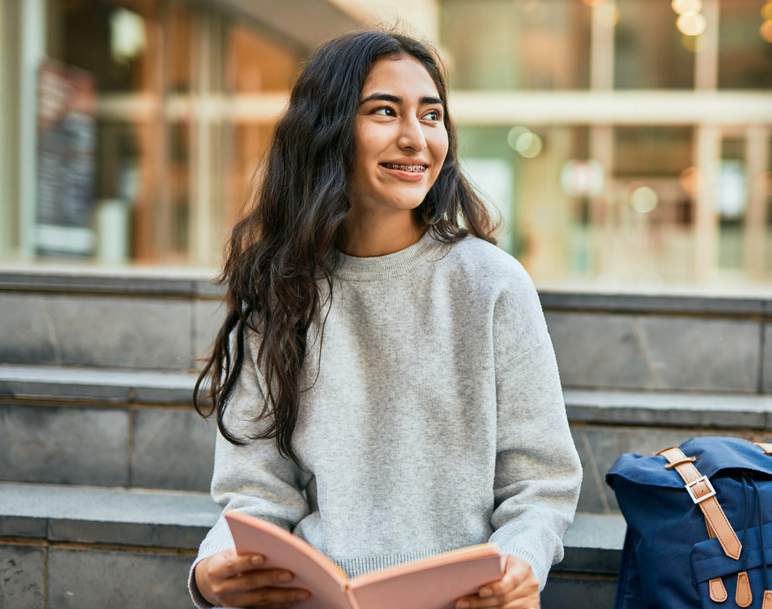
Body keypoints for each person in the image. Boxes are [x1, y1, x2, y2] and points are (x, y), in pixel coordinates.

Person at [188, 29, 583, 609]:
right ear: (328, 130)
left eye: (431, 115)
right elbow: (256, 492)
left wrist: (518, 567)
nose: (415, 138)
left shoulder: (492, 284)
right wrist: (210, 570)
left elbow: (541, 485)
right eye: (384, 111)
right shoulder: (280, 291)